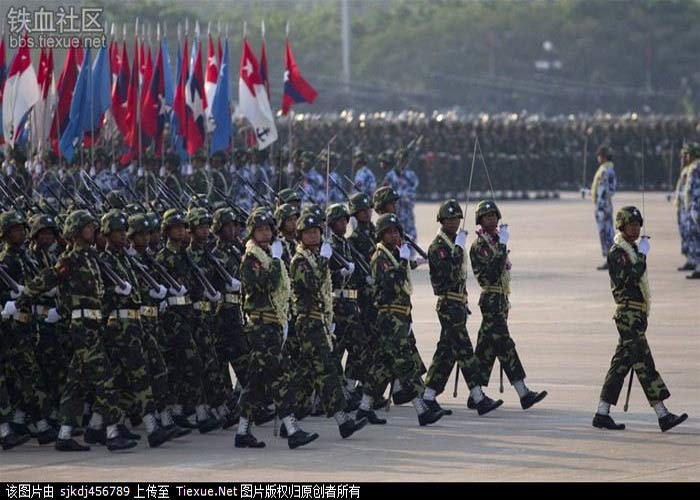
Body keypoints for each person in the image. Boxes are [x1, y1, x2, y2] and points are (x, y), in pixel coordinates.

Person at [593, 206, 688, 432]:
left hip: (636, 314)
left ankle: (602, 412)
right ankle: (662, 414)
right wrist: (643, 255)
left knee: (620, 366)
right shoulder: (618, 252)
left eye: (637, 225)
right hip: (628, 315)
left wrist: (640, 253)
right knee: (644, 363)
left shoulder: (632, 251)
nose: (635, 228)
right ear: (622, 227)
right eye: (631, 225)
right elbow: (629, 278)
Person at [424, 200, 503, 416]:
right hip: (448, 304)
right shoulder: (438, 247)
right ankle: (478, 397)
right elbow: (449, 274)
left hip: (457, 303)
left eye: (457, 218)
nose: (454, 222)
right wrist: (458, 248)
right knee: (465, 351)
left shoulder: (452, 243)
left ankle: (428, 395)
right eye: (450, 219)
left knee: (446, 353)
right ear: (441, 221)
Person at [469, 201, 548, 410]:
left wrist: (500, 244)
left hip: (500, 300)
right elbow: (493, 272)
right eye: (486, 217)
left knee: (486, 348)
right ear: (480, 221)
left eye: (494, 216)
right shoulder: (480, 246)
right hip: (491, 300)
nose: (492, 220)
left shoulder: (494, 241)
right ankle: (523, 392)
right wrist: (503, 245)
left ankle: (474, 392)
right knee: (505, 345)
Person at [591, 146, 617, 270]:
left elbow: (605, 190)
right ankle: (610, 258)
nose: (598, 157)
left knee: (606, 232)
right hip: (603, 205)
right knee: (606, 232)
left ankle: (612, 259)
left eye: (599, 155)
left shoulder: (605, 170)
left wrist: (600, 206)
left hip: (603, 206)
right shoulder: (606, 169)